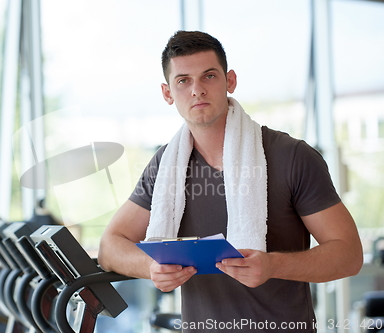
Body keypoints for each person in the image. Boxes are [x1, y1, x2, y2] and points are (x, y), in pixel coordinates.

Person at [97, 30, 363, 332]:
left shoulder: (292, 156)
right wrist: (152, 268)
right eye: (183, 81)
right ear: (168, 93)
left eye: (209, 76)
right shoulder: (164, 166)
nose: (197, 90)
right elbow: (110, 247)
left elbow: (349, 254)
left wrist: (274, 265)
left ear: (230, 81)